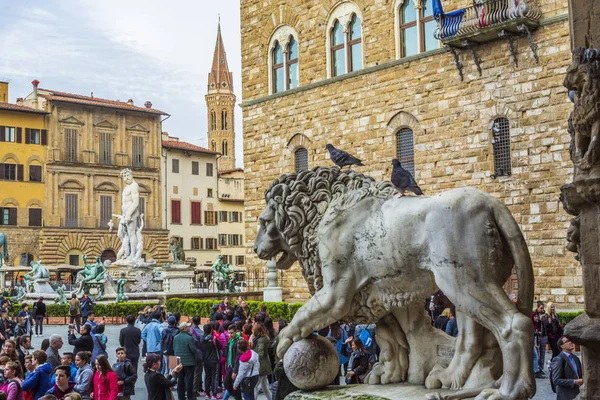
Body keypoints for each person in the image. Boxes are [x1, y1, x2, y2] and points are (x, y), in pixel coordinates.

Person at [172, 322, 196, 400]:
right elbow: (193, 349)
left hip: (179, 362)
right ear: (185, 328)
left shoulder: (176, 337)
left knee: (180, 380)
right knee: (189, 381)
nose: (190, 328)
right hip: (189, 362)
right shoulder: (189, 338)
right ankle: (190, 396)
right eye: (189, 326)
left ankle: (180, 397)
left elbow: (174, 348)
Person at [200, 323, 222, 400]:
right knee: (214, 377)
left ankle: (207, 393)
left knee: (207, 376)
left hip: (205, 360)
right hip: (214, 360)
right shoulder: (214, 339)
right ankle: (214, 394)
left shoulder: (202, 339)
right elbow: (220, 347)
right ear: (211, 330)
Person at [250, 324, 272, 400]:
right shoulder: (260, 339)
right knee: (264, 386)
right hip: (264, 365)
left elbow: (260, 353)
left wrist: (253, 359)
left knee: (255, 386)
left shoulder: (260, 340)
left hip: (261, 366)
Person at [225, 323, 243, 400]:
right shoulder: (231, 340)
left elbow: (238, 357)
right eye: (229, 333)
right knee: (226, 384)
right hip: (230, 365)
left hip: (235, 367)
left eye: (232, 333)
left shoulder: (239, 341)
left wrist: (235, 371)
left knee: (236, 386)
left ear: (236, 332)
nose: (230, 334)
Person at [189, 316, 204, 397]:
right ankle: (195, 389)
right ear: (199, 322)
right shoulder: (200, 332)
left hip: (189, 354)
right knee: (197, 372)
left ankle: (190, 388)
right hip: (198, 354)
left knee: (190, 372)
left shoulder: (189, 329)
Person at [535, 301, 549, 373]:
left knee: (543, 353)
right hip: (537, 336)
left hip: (544, 335)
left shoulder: (545, 314)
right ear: (537, 307)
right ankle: (536, 368)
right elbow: (535, 324)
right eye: (541, 308)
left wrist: (546, 319)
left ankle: (541, 368)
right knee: (537, 353)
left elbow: (547, 325)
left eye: (543, 308)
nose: (542, 309)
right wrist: (539, 319)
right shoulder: (535, 315)